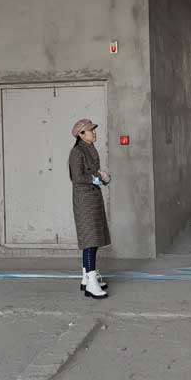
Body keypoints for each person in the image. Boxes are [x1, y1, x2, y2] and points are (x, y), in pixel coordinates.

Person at [68, 118, 111, 299]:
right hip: (84, 201)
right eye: (90, 130)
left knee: (93, 240)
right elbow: (77, 177)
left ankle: (87, 278)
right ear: (81, 134)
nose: (94, 133)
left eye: (94, 129)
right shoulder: (77, 152)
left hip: (93, 198)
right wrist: (97, 177)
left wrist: (103, 177)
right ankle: (91, 283)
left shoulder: (90, 148)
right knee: (90, 242)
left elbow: (92, 173)